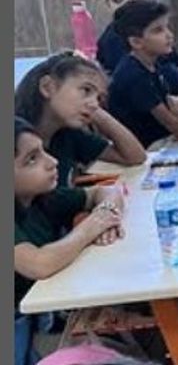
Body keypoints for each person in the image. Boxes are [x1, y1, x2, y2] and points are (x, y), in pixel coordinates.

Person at [13, 118, 125, 365]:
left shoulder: (42, 198)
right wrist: (92, 226)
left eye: (43, 151)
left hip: (43, 316)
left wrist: (106, 213)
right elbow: (39, 264)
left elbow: (106, 191)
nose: (52, 161)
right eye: (31, 159)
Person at [15, 52, 146, 187]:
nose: (95, 104)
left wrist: (95, 112)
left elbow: (135, 156)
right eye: (86, 90)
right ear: (48, 87)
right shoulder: (16, 137)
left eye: (99, 98)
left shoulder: (67, 133)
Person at [107, 1, 178, 148]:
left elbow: (174, 110)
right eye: (158, 30)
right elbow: (173, 124)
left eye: (167, 27)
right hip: (149, 147)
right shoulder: (133, 75)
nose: (169, 35)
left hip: (166, 136)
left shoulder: (152, 63)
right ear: (136, 42)